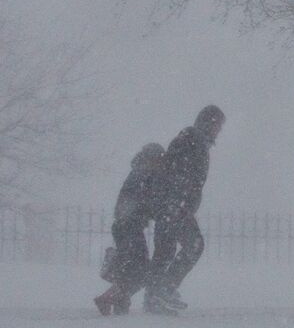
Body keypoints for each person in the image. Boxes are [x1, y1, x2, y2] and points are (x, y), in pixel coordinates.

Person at [145, 105, 225, 315]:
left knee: (165, 249)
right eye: (218, 125)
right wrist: (179, 201)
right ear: (209, 122)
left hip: (171, 204)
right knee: (194, 245)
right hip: (175, 205)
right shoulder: (194, 141)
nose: (219, 131)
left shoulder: (191, 140)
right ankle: (164, 290)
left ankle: (155, 296)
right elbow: (180, 174)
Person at [94, 143, 166, 316]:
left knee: (130, 267)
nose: (161, 163)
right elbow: (147, 201)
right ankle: (108, 297)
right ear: (153, 158)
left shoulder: (138, 171)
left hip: (124, 225)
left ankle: (121, 300)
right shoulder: (144, 173)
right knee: (141, 269)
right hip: (130, 226)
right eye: (160, 159)